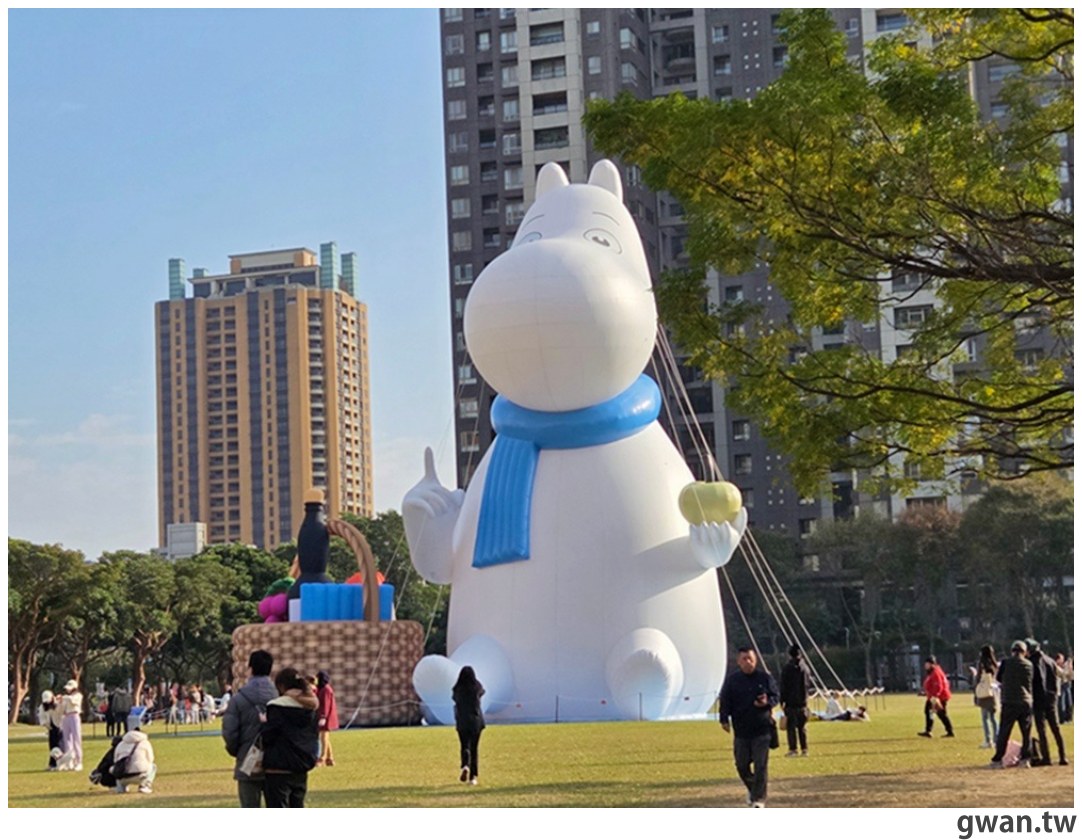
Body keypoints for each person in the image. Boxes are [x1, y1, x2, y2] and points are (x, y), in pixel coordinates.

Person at [718, 647, 779, 808]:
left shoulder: (765, 678)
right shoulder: (732, 680)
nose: (748, 662)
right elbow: (725, 701)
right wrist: (724, 719)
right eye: (744, 659)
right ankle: (753, 788)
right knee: (741, 765)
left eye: (751, 658)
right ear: (739, 661)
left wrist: (766, 703)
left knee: (760, 766)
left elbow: (776, 696)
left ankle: (759, 799)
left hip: (762, 729)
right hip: (741, 731)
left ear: (755, 660)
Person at [222, 649, 279, 807]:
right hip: (276, 760)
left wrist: (237, 751)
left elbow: (230, 731)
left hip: (248, 759)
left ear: (250, 669)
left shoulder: (238, 699)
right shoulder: (279, 696)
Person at [261, 667, 319, 808]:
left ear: (281, 686)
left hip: (279, 766)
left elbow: (269, 736)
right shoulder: (310, 706)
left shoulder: (277, 706)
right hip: (301, 765)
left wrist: (264, 723)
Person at [991, 640, 1034, 768]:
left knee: (1004, 731)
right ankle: (1025, 759)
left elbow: (998, 678)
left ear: (1012, 651)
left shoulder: (1006, 663)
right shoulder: (1029, 664)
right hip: (1025, 700)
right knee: (1026, 732)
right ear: (1024, 652)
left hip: (1009, 700)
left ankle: (998, 759)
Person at [1026, 638, 1067, 766]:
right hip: (1051, 698)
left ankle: (1046, 757)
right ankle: (1063, 756)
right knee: (1056, 728)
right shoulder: (1050, 661)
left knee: (1041, 730)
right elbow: (1061, 676)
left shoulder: (1031, 662)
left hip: (1038, 699)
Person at [452, 666, 486, 786]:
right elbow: (482, 692)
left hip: (462, 721)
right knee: (474, 748)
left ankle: (465, 765)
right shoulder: (476, 687)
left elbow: (454, 698)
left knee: (464, 746)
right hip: (476, 721)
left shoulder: (457, 689)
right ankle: (473, 777)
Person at [779, 643, 812, 757]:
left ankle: (793, 749)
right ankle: (804, 749)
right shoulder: (806, 668)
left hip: (791, 702)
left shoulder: (787, 668)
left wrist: (782, 700)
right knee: (802, 727)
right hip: (803, 702)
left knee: (791, 727)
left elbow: (783, 686)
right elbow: (808, 685)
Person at [110, 727, 157, 793]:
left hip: (122, 776)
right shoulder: (145, 743)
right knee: (153, 766)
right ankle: (144, 786)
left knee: (113, 768)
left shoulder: (121, 744)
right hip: (140, 776)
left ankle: (121, 787)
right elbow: (151, 759)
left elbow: (115, 761)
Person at [917, 656, 954, 738]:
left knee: (940, 713)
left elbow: (938, 686)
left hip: (939, 697)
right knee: (930, 712)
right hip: (934, 696)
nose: (925, 665)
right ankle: (929, 730)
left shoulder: (935, 673)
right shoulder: (932, 672)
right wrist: (925, 693)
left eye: (927, 664)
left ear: (932, 664)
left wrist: (935, 697)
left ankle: (949, 731)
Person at [974, 645, 1000, 749]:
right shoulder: (994, 665)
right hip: (993, 692)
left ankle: (988, 740)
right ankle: (997, 739)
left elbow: (978, 678)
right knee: (993, 717)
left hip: (984, 693)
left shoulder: (982, 664)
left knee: (985, 718)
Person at [59, 678, 84, 771]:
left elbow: (73, 701)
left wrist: (64, 697)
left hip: (74, 716)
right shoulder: (66, 697)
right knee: (67, 740)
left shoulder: (78, 695)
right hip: (66, 717)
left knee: (76, 739)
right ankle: (69, 761)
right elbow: (62, 708)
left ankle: (78, 762)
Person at [315, 670, 339, 767]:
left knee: (324, 737)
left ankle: (322, 758)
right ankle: (330, 758)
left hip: (326, 717)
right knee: (325, 738)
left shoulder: (326, 690)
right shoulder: (322, 689)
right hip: (323, 716)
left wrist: (323, 716)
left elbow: (326, 704)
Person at [39, 690, 63, 770]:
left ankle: (60, 763)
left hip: (59, 727)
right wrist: (46, 725)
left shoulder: (58, 704)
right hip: (51, 728)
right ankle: (52, 764)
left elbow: (61, 714)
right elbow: (42, 718)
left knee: (59, 745)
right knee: (52, 746)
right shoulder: (42, 707)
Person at [1054, 653, 1073, 723]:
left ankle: (1068, 718)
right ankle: (1062, 719)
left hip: (1067, 685)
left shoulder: (1063, 667)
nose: (1063, 661)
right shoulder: (1055, 666)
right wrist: (1067, 667)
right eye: (1061, 659)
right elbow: (1063, 674)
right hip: (1060, 686)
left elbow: (1071, 676)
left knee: (1069, 703)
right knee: (1062, 704)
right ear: (1058, 660)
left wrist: (1070, 668)